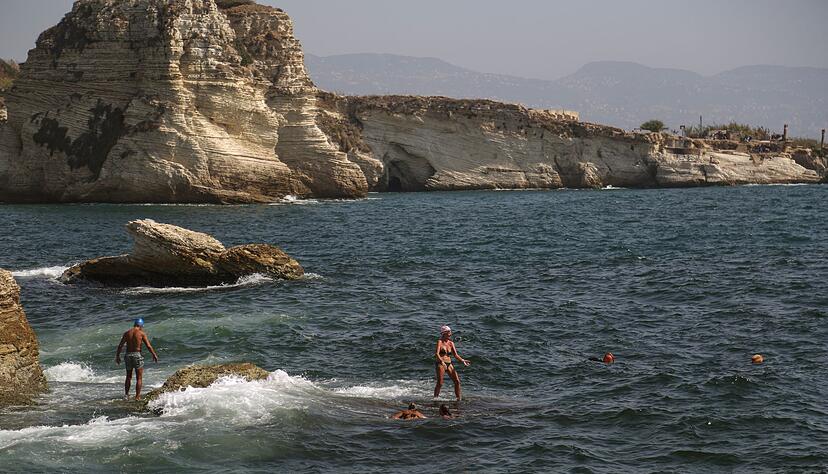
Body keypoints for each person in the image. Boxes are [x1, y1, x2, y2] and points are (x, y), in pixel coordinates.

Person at [115, 318, 159, 401]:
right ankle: (137, 397)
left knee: (128, 376)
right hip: (137, 355)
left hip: (128, 355)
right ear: (141, 325)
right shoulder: (141, 333)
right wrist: (154, 354)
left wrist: (117, 356)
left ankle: (126, 395)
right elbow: (148, 346)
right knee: (139, 378)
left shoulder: (127, 333)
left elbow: (120, 346)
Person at [434, 325, 470, 401]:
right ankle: (435, 399)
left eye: (450, 332)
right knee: (440, 383)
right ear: (444, 333)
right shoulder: (439, 342)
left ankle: (458, 399)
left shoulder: (451, 343)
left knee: (457, 381)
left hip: (449, 363)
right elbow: (437, 354)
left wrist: (463, 360)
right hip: (440, 363)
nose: (450, 333)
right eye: (449, 332)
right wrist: (442, 362)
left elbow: (455, 355)